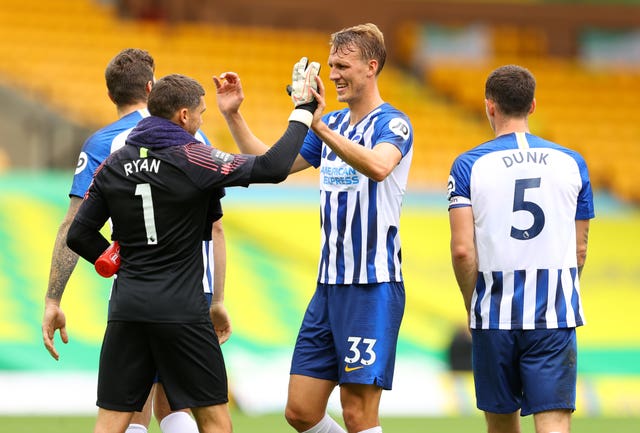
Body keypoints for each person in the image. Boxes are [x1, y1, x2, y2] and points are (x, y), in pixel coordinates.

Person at [64, 67, 324, 433]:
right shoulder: (194, 158)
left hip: (127, 308)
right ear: (184, 115)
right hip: (182, 309)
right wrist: (303, 110)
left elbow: (79, 235)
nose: (202, 118)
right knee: (214, 420)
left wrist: (118, 260)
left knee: (110, 424)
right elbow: (274, 167)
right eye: (201, 112)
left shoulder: (114, 164)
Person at [214, 23, 413, 433]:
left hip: (371, 286)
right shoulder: (334, 123)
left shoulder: (393, 123)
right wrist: (234, 116)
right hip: (328, 287)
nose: (334, 74)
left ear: (371, 67)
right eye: (331, 65)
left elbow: (378, 167)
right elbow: (272, 165)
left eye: (343, 65)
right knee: (300, 411)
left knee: (358, 413)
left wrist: (317, 124)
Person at [41, 48, 225, 433]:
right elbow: (216, 226)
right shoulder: (191, 128)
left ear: (111, 95)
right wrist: (217, 297)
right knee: (180, 407)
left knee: (129, 409)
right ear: (151, 86)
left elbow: (74, 227)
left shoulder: (103, 144)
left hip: (136, 290)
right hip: (191, 288)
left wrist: (53, 299)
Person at [447, 64, 595, 433]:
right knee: (554, 423)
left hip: (494, 316)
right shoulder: (573, 163)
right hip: (553, 316)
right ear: (532, 106)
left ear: (489, 107)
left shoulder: (469, 165)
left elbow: (463, 250)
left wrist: (472, 305)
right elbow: (579, 250)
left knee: (501, 426)